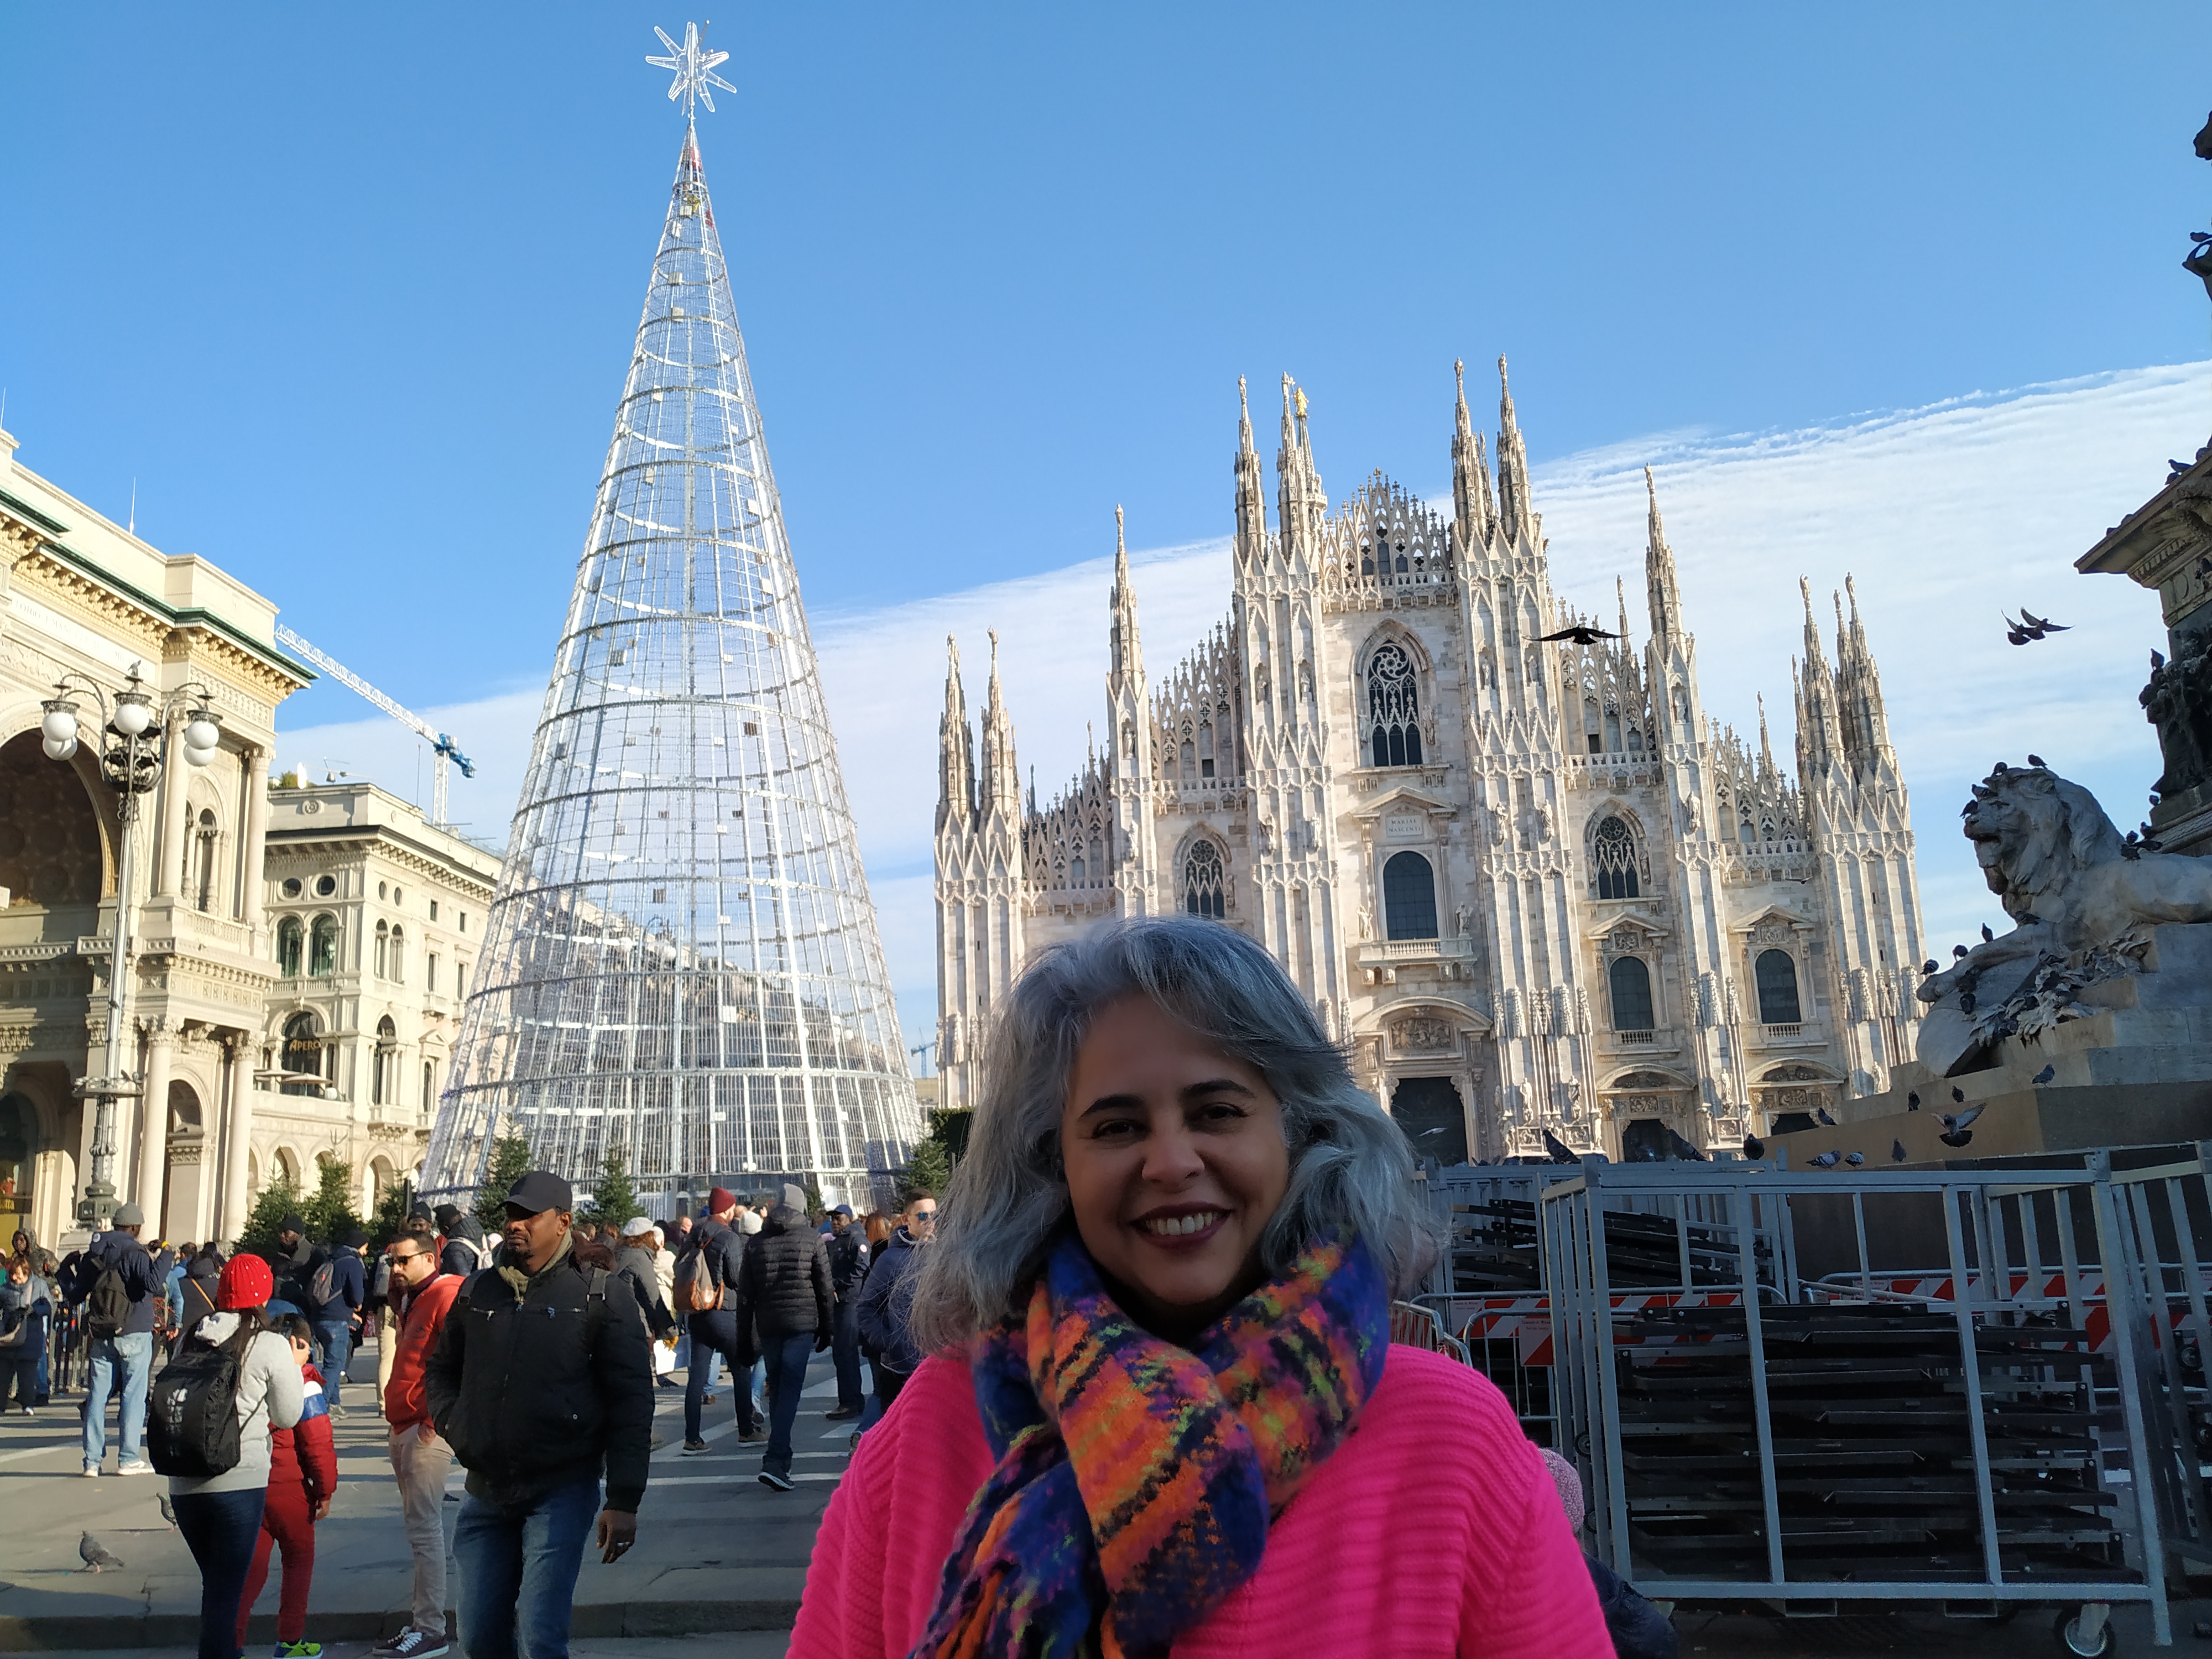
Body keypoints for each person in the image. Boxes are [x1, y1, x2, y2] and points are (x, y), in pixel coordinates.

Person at [788, 917, 1611, 1657]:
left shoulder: (1451, 1445)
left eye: (1217, 1111)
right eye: (1117, 1127)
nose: (1172, 1162)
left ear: (1302, 1135)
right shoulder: (931, 1434)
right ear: (1052, 1165)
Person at [424, 1171, 653, 1659]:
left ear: (563, 1222)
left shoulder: (602, 1296)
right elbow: (441, 1369)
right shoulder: (478, 1290)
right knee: (480, 1638)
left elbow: (632, 1401)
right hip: (485, 1489)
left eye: (530, 1215)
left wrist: (624, 1498)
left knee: (539, 1637)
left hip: (560, 1489)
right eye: (511, 1214)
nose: (516, 1224)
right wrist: (457, 1426)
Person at [165, 1253, 305, 1659]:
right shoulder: (269, 1344)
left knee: (217, 1586)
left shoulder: (191, 1337)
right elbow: (288, 1414)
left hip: (184, 1481)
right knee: (226, 1592)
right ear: (264, 1295)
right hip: (238, 1482)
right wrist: (292, 1368)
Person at [378, 1217, 463, 1659]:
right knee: (420, 1531)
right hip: (407, 1420)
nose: (395, 1267)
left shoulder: (447, 1294)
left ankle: (430, 1630)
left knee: (425, 1530)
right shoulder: (421, 1296)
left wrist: (434, 1418)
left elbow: (463, 1358)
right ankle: (422, 1623)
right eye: (392, 1259)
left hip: (423, 1425)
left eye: (403, 1260)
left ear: (429, 1258)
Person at [237, 1312, 337, 1659]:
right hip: (291, 1490)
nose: (309, 1356)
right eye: (307, 1347)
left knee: (250, 1572)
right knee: (298, 1562)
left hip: (252, 1486)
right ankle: (291, 1642)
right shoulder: (305, 1384)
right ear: (296, 1343)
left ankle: (229, 1644)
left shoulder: (250, 1375)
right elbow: (317, 1444)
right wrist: (325, 1491)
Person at [731, 1184, 832, 1491]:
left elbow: (746, 1295)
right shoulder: (812, 1238)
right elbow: (824, 1289)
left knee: (778, 1390)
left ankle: (781, 1457)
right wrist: (827, 1329)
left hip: (769, 1324)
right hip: (801, 1324)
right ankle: (775, 1460)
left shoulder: (757, 1243)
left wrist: (744, 1341)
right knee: (788, 1391)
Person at [76, 1201, 164, 1477]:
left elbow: (77, 1293)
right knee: (132, 1395)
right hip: (134, 1330)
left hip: (102, 1333)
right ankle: (128, 1458)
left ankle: (92, 1461)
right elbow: (153, 1283)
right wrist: (166, 1257)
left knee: (97, 1396)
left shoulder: (96, 1251)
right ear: (135, 1228)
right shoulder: (135, 1251)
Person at [677, 1188, 759, 1455]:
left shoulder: (692, 1236)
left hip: (697, 1313)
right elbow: (735, 1278)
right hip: (724, 1311)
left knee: (697, 1378)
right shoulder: (728, 1237)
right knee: (741, 1369)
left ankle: (692, 1438)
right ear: (727, 1209)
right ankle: (746, 1430)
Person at [853, 1188, 935, 1416]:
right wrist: (890, 1342)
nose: (930, 1221)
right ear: (907, 1219)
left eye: (935, 1215)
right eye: (923, 1216)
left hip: (941, 1369)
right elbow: (866, 1307)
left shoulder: (947, 1255)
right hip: (901, 1371)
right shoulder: (891, 1260)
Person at [307, 1229, 366, 1418]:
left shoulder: (331, 1259)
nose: (365, 1252)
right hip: (336, 1321)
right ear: (359, 1245)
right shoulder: (352, 1262)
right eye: (365, 1248)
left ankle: (335, 1404)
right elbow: (357, 1295)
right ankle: (322, 1406)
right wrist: (356, 1308)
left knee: (333, 1362)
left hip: (319, 1317)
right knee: (334, 1365)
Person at [822, 1206, 869, 1421]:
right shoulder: (838, 1239)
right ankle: (849, 1400)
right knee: (841, 1353)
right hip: (839, 1302)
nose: (835, 1222)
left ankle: (851, 1401)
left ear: (849, 1219)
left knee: (846, 1352)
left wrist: (838, 1285)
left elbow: (860, 1269)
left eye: (839, 1218)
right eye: (832, 1218)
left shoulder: (856, 1239)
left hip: (850, 1300)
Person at [0, 1254, 51, 1414]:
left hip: (31, 1337)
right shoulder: (5, 1290)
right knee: (3, 1376)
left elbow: (49, 1307)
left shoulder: (39, 1286)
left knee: (27, 1376)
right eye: (12, 1274)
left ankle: (27, 1404)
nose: (15, 1278)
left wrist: (34, 1311)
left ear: (27, 1273)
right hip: (8, 1339)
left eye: (18, 1274)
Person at [269, 1215, 319, 1320]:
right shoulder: (278, 1254)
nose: (282, 1236)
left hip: (304, 1311)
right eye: (281, 1232)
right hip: (279, 1308)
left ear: (297, 1234)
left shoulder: (314, 1254)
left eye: (286, 1233)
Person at [432, 1205, 490, 1281]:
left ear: (446, 1228)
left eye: (439, 1227)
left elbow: (463, 1281)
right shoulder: (483, 1237)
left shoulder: (452, 1249)